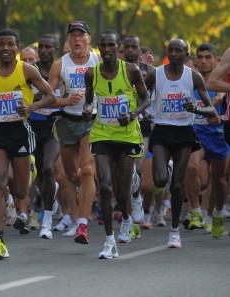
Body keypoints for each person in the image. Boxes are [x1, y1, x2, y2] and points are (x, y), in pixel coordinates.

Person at [0, 28, 56, 260]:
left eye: (10, 44)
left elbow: (50, 96)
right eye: (1, 45)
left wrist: (31, 108)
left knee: (20, 190)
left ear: (17, 48)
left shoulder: (27, 70)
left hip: (21, 132)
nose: (6, 48)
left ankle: (24, 179)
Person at [82, 31, 150, 258]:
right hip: (102, 135)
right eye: (103, 45)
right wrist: (86, 108)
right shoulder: (91, 74)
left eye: (111, 45)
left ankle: (127, 218)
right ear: (99, 49)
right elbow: (89, 99)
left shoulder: (130, 70)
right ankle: (109, 242)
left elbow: (146, 99)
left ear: (117, 47)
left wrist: (132, 114)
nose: (107, 49)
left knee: (122, 193)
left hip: (128, 135)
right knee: (105, 186)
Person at [150, 39, 218, 248]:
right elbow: (139, 92)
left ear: (186, 53)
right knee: (161, 181)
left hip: (184, 133)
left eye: (178, 50)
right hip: (161, 129)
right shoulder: (156, 73)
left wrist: (195, 109)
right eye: (170, 50)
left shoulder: (193, 77)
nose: (174, 53)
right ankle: (168, 170)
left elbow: (211, 111)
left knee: (177, 185)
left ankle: (174, 232)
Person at [48, 20, 99, 243]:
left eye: (81, 35)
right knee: (71, 175)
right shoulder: (60, 64)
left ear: (89, 38)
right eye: (73, 36)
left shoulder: (99, 61)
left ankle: (82, 223)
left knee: (87, 170)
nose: (77, 39)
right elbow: (48, 98)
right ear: (68, 40)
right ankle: (86, 198)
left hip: (92, 121)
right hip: (68, 123)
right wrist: (65, 100)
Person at [185, 44, 228, 237]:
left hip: (219, 136)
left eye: (207, 57)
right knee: (193, 168)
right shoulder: (190, 80)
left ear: (216, 59)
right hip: (197, 133)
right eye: (200, 57)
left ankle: (217, 212)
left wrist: (221, 98)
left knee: (219, 180)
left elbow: (220, 92)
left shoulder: (222, 81)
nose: (203, 61)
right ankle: (196, 212)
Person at [121, 35, 156, 238]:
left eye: (135, 47)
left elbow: (153, 97)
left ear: (139, 50)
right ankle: (130, 219)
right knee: (125, 173)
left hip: (142, 126)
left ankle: (136, 197)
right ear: (122, 50)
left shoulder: (149, 72)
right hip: (118, 127)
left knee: (137, 170)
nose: (131, 50)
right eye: (127, 47)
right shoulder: (113, 69)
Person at [28, 34, 61, 239]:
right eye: (41, 46)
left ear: (55, 49)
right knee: (37, 174)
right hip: (32, 125)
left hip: (54, 127)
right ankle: (48, 194)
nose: (43, 50)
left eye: (48, 47)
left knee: (48, 168)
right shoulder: (30, 70)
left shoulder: (61, 69)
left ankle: (47, 219)